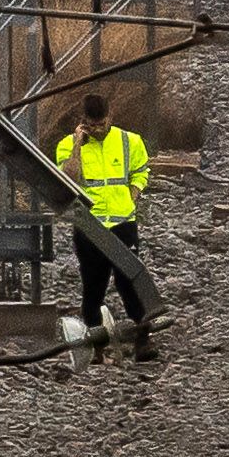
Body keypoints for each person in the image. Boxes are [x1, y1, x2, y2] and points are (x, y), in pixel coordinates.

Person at [55, 93, 156, 360]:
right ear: (83, 121)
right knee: (93, 285)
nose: (98, 129)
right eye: (92, 124)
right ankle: (96, 346)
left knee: (130, 281)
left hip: (123, 222)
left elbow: (141, 170)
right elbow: (68, 178)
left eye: (102, 123)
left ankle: (142, 341)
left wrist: (133, 194)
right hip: (90, 225)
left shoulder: (129, 141)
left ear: (109, 116)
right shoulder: (67, 145)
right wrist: (78, 144)